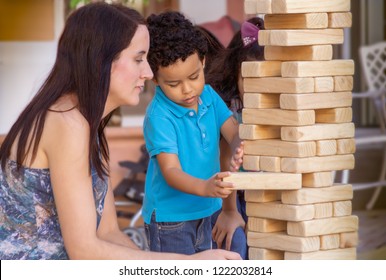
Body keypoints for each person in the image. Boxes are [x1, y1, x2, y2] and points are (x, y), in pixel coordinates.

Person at [0, 2, 240, 260]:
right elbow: (84, 250)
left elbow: (109, 233)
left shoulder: (88, 124)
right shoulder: (67, 124)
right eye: (139, 59)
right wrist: (188, 266)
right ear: (101, 60)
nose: (148, 73)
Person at [142, 11, 244, 255]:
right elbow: (171, 171)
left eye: (194, 76)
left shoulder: (208, 96)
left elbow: (232, 131)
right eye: (174, 84)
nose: (188, 90)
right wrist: (206, 188)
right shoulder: (159, 116)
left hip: (209, 209)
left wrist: (240, 147)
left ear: (203, 62)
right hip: (171, 220)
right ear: (155, 79)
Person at [206, 17, 266, 260]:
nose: (256, 89)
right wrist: (230, 211)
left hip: (264, 193)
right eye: (248, 79)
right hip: (231, 194)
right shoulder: (232, 111)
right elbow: (225, 158)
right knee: (236, 242)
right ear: (235, 74)